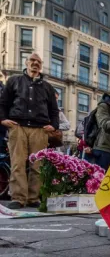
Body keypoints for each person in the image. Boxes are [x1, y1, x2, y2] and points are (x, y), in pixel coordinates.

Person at [0, 53, 59, 209]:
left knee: (37, 165)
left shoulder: (48, 87)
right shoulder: (14, 81)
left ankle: (33, 198)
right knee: (17, 164)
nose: (35, 63)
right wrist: (2, 119)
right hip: (17, 126)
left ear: (41, 65)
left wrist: (54, 125)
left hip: (39, 129)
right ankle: (18, 198)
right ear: (26, 63)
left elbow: (54, 109)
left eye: (38, 61)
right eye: (32, 61)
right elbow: (3, 102)